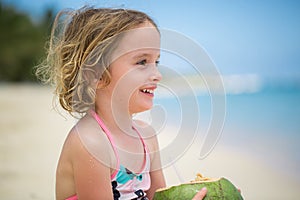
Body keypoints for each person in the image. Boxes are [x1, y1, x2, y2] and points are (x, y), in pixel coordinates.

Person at [36, 7, 207, 200]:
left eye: (156, 62)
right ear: (96, 75)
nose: (157, 75)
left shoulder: (147, 137)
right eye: (142, 62)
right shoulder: (91, 143)